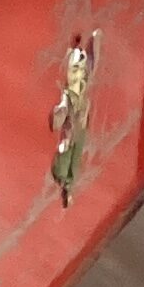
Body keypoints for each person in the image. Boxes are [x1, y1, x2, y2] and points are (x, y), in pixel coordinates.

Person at [49, 36, 97, 208]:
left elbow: (91, 62)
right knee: (64, 164)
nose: (78, 75)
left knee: (75, 162)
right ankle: (64, 184)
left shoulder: (83, 88)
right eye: (74, 70)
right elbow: (59, 116)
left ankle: (69, 188)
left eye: (80, 70)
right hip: (69, 134)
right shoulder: (67, 96)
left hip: (80, 129)